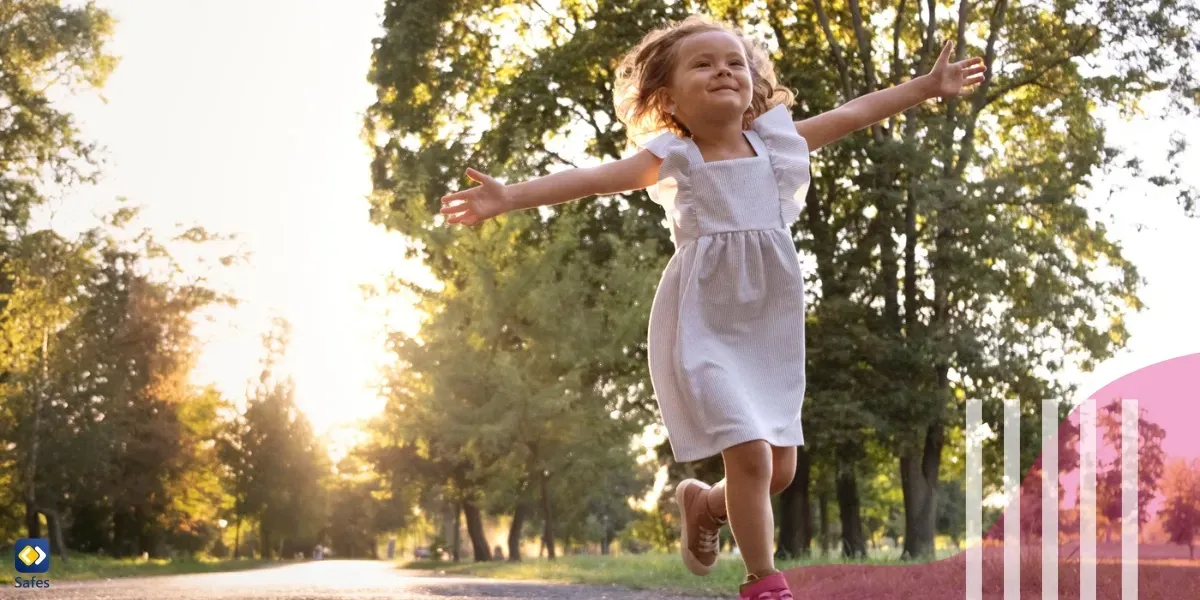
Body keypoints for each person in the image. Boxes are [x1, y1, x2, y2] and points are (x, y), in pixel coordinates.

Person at [438, 14, 984, 600]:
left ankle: (704, 504)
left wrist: (925, 87)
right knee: (748, 454)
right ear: (669, 97)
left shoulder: (777, 144)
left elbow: (853, 113)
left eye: (734, 62)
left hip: (769, 326)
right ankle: (764, 582)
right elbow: (595, 180)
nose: (724, 69)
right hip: (703, 323)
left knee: (778, 472)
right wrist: (509, 196)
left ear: (752, 83)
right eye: (703, 63)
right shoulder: (674, 156)